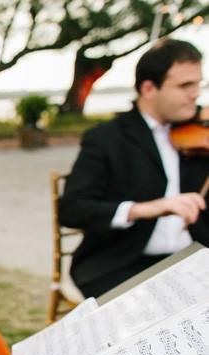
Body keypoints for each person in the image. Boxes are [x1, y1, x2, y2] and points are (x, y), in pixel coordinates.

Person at [59, 39, 209, 298]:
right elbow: (73, 209)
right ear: (149, 88)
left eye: (197, 84)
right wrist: (145, 209)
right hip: (123, 263)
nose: (195, 94)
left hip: (196, 259)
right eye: (185, 86)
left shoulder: (201, 132)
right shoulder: (106, 139)